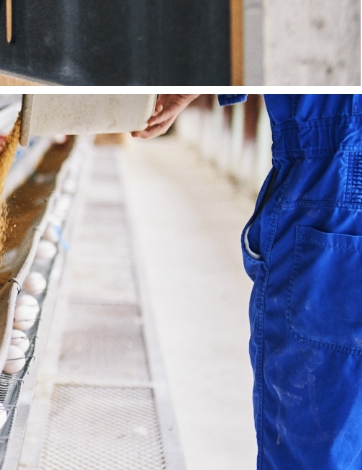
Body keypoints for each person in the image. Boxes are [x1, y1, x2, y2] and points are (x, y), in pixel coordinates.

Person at [135, 94, 362, 470]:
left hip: (332, 183)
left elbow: (265, 39)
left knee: (317, 440)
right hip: (331, 170)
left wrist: (191, 74)